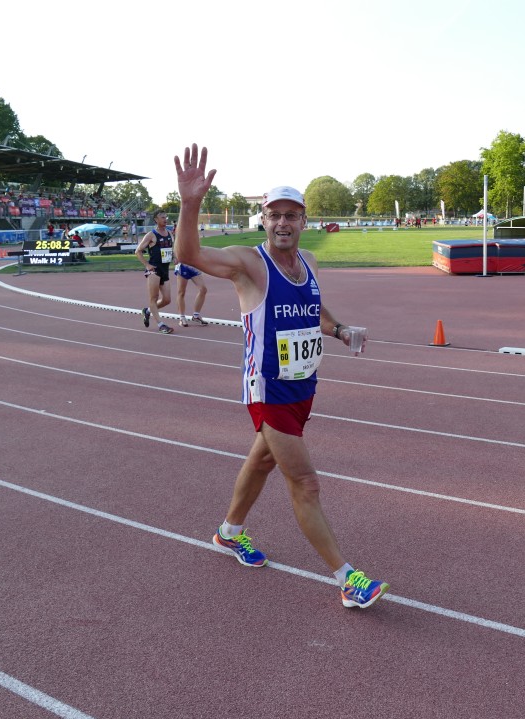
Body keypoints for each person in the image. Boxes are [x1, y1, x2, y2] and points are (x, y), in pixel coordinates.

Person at [173, 143, 388, 609]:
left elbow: (314, 313)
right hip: (267, 387)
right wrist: (190, 204)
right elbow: (188, 253)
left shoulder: (309, 263)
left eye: (292, 215)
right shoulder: (248, 264)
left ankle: (229, 533)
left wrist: (341, 329)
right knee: (305, 483)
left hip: (303, 385)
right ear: (264, 221)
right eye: (275, 215)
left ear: (303, 222)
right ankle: (348, 581)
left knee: (263, 461)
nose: (284, 223)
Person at [135, 209, 175, 334]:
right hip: (154, 270)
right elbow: (138, 251)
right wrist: (147, 265)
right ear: (156, 220)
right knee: (154, 298)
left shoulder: (169, 233)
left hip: (165, 270)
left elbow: (170, 250)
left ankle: (147, 311)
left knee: (167, 300)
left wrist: (175, 257)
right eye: (162, 217)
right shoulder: (151, 235)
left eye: (165, 216)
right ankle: (161, 324)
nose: (165, 219)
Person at [174, 262, 209, 326]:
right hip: (182, 266)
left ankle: (196, 316)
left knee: (203, 290)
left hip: (194, 266)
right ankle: (182, 318)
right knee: (181, 292)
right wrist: (175, 257)